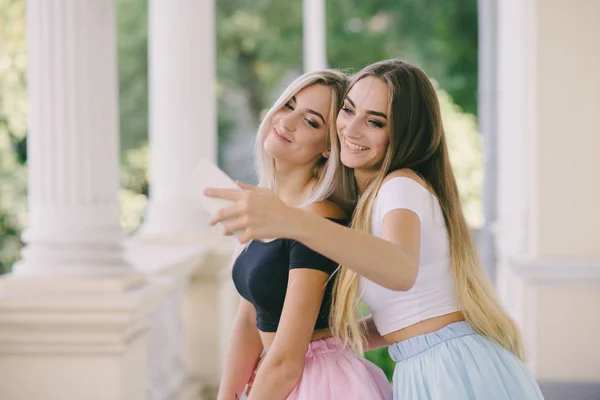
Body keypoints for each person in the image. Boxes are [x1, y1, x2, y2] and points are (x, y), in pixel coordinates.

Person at [206, 59, 544, 399]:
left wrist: (292, 220)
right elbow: (399, 318)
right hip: (424, 364)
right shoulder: (371, 202)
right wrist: (314, 339)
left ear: (403, 134)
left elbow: (400, 269)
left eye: (375, 122)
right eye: (349, 110)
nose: (352, 129)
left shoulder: (400, 186)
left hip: (448, 369)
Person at [214, 69, 391, 400]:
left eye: (311, 121)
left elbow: (287, 363)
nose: (287, 121)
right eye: (288, 105)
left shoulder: (319, 219)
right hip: (280, 378)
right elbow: (250, 315)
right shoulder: (274, 206)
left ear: (329, 147)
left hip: (319, 384)